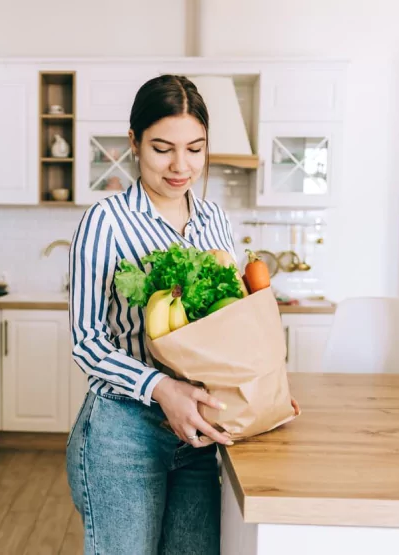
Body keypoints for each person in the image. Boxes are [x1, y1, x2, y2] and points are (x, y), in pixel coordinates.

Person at [66, 74, 237, 555]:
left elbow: (230, 325)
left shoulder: (215, 221)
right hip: (124, 432)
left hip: (198, 436)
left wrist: (261, 392)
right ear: (134, 143)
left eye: (195, 148)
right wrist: (162, 388)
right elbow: (87, 340)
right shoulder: (107, 221)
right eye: (162, 148)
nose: (181, 165)